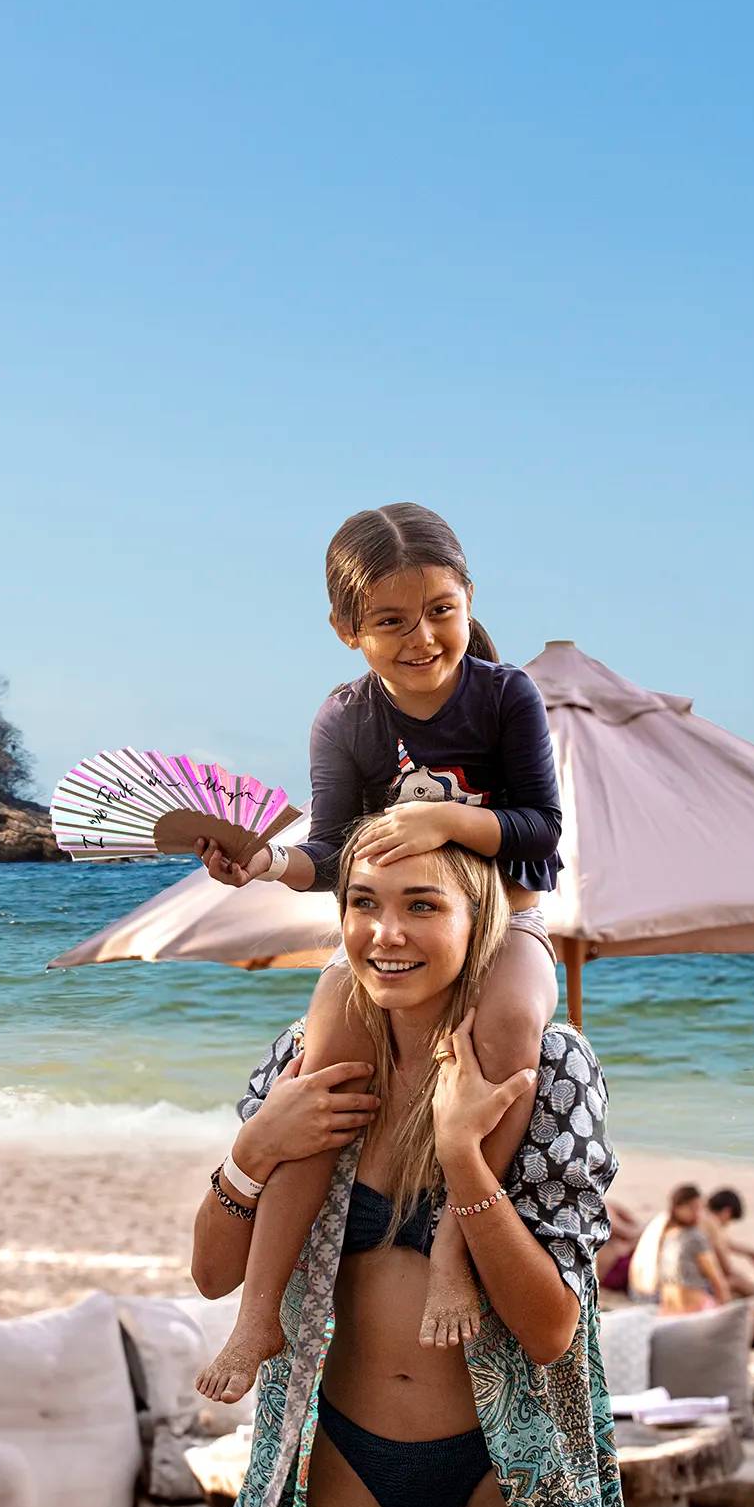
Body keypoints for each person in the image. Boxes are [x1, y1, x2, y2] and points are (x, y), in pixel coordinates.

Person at [195, 502, 562, 1399]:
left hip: (505, 918)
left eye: (441, 608)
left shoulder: (506, 695)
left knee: (513, 1019)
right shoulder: (345, 719)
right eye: (391, 620)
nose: (422, 635)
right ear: (346, 630)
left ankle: (450, 1248)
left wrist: (444, 819)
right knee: (325, 1060)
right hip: (392, 931)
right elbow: (328, 853)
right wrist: (265, 861)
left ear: (468, 599)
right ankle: (260, 1310)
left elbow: (542, 836)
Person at [191, 825, 622, 1507]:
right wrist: (254, 1151)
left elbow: (548, 1332)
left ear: (478, 921)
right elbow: (213, 1276)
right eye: (363, 903)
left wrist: (464, 1159)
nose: (386, 933)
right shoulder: (310, 1056)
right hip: (331, 1447)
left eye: (422, 906)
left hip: (508, 1458)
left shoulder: (549, 1068)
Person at [656, 1184, 731, 1315]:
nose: (697, 1214)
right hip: (695, 1308)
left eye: (699, 1208)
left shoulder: (667, 1235)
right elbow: (717, 1280)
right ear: (677, 1208)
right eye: (692, 1208)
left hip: (670, 1308)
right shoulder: (694, 1237)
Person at [701, 1189, 754, 1297]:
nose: (727, 1225)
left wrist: (751, 1254)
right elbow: (726, 1269)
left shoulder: (701, 1217)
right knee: (738, 1283)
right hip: (695, 1287)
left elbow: (727, 1244)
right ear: (726, 1212)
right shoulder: (711, 1223)